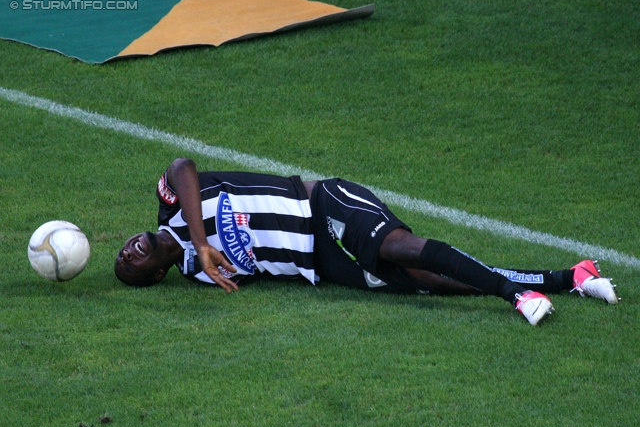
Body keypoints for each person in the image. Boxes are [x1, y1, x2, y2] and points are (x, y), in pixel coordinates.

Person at [115, 158, 619, 326]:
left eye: (122, 252)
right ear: (157, 276)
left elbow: (181, 167)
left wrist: (200, 240)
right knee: (427, 283)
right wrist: (200, 259)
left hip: (324, 202)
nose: (126, 254)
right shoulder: (200, 277)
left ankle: (515, 296)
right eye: (129, 269)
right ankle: (569, 277)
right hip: (322, 264)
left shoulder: (173, 202)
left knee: (398, 247)